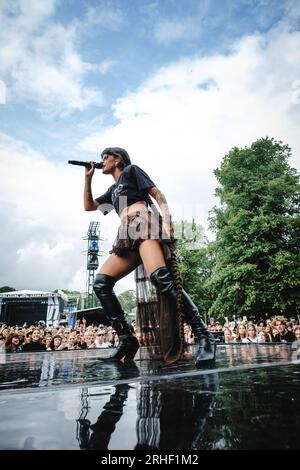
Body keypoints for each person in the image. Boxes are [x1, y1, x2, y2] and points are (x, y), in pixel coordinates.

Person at [83, 147, 215, 365]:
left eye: (105, 157)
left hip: (144, 225)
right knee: (101, 283)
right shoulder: (112, 190)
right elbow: (89, 207)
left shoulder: (131, 171)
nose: (102, 161)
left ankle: (204, 335)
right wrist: (88, 179)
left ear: (118, 159)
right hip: (127, 234)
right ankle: (126, 339)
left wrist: (168, 221)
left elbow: (157, 194)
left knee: (161, 279)